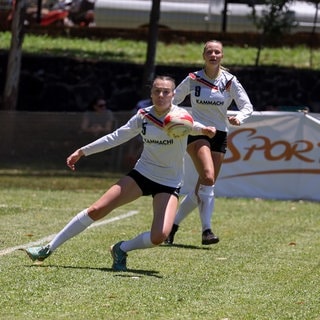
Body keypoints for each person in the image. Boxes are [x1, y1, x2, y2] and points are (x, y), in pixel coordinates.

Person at [21, 76, 216, 271]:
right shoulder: (143, 116)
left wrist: (204, 129)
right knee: (97, 209)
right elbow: (115, 137)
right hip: (142, 174)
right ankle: (47, 248)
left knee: (159, 237)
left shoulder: (180, 116)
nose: (161, 95)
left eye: (166, 91)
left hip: (169, 183)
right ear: (151, 93)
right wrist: (82, 151)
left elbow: (192, 126)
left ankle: (121, 248)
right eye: (157, 91)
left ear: (173, 94)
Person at [165, 40, 253, 245]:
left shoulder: (229, 81)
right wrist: (177, 120)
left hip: (220, 134)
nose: (213, 55)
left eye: (217, 52)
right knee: (208, 177)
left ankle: (172, 227)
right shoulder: (193, 78)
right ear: (204, 55)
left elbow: (247, 106)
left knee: (203, 185)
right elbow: (172, 101)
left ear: (222, 56)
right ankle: (207, 230)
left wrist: (239, 118)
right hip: (197, 133)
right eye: (209, 52)